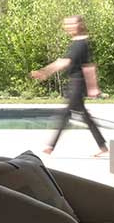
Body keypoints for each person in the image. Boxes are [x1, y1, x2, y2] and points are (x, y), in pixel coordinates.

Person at [30, 15, 109, 157]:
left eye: (71, 24)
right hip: (76, 83)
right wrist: (92, 87)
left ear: (79, 25)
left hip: (77, 85)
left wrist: (44, 72)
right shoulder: (79, 42)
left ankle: (50, 146)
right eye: (66, 24)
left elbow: (66, 62)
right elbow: (87, 65)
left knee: (65, 114)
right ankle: (102, 146)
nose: (68, 27)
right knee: (84, 116)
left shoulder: (80, 43)